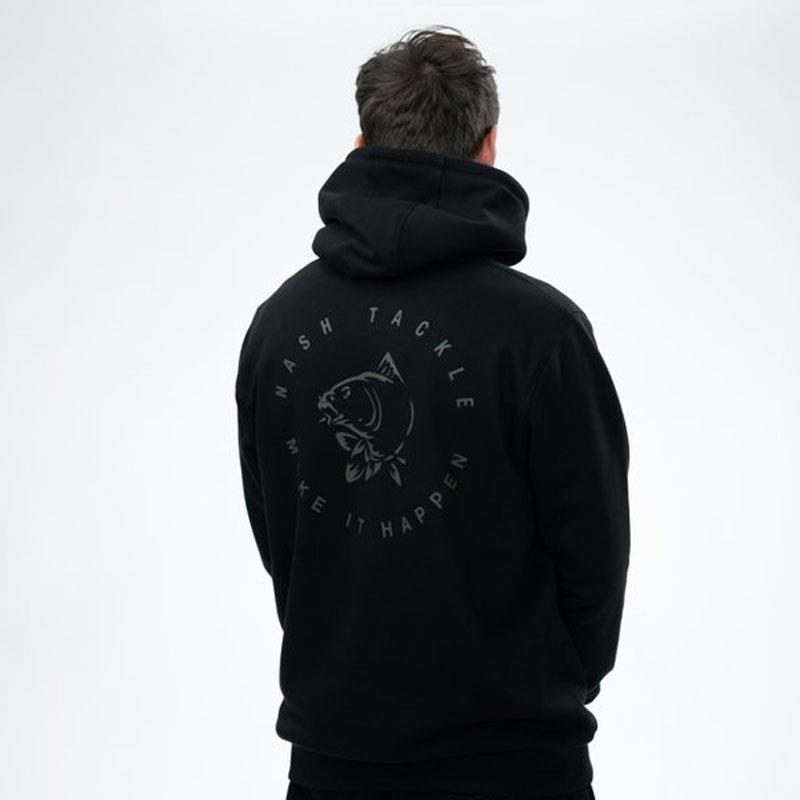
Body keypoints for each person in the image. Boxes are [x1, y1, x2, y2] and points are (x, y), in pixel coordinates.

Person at [235, 25, 630, 800]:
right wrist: (543, 687)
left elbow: (283, 535)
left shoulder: (278, 326)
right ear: (489, 147)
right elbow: (596, 550)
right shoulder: (541, 332)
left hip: (334, 764)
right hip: (519, 766)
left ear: (360, 144)